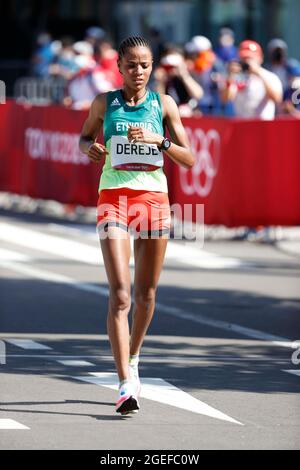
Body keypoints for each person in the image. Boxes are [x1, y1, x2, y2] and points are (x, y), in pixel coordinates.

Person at [79, 36, 195, 415]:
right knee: (122, 295)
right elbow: (84, 137)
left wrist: (158, 140)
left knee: (146, 295)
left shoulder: (164, 105)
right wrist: (89, 147)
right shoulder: (104, 103)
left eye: (145, 65)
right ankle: (125, 382)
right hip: (113, 198)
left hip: (153, 202)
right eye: (132, 65)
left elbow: (189, 159)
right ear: (120, 67)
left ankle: (135, 355)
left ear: (152, 66)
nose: (139, 71)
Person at [221, 40, 283, 120]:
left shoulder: (270, 76)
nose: (247, 61)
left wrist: (258, 72)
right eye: (244, 58)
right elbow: (225, 99)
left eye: (250, 58)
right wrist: (230, 77)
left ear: (260, 58)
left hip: (263, 125)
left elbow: (277, 98)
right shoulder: (236, 76)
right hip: (242, 125)